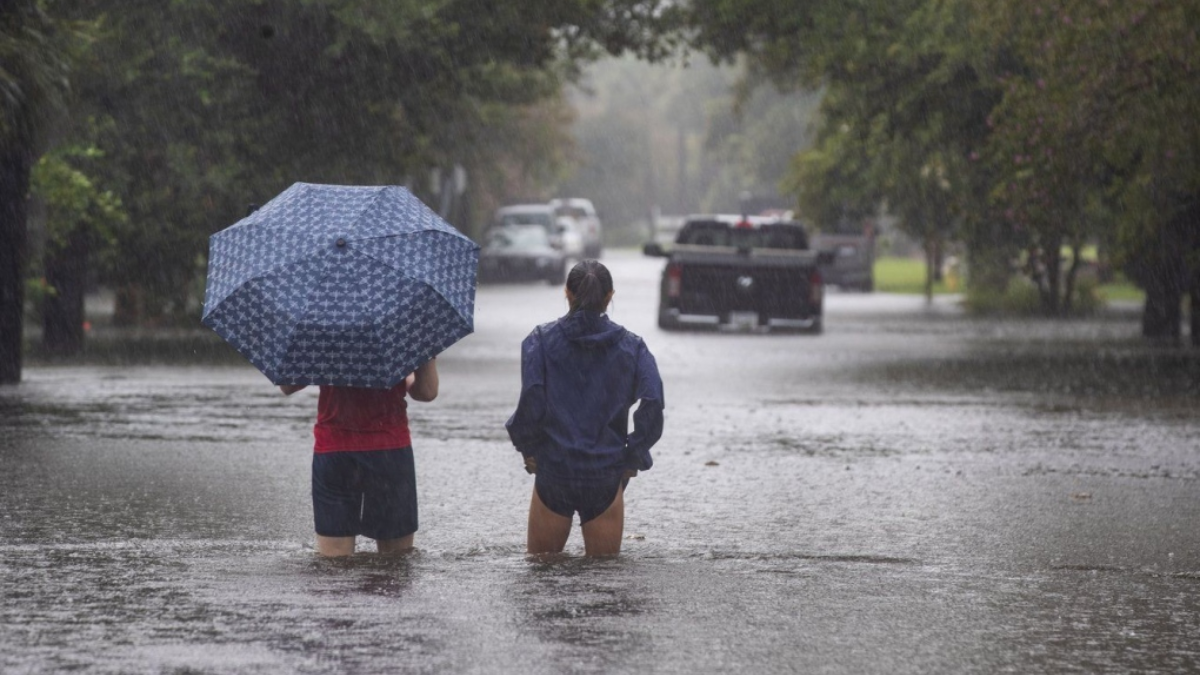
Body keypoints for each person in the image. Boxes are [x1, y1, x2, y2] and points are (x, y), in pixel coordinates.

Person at [506, 260, 664, 557]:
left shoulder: (539, 341)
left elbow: (531, 399)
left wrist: (528, 447)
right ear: (609, 296)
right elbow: (653, 402)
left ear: (566, 293)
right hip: (605, 475)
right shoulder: (634, 347)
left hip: (554, 470)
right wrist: (634, 454)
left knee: (541, 582)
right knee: (604, 591)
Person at [280, 357, 438, 557]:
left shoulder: (323, 331)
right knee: (396, 563)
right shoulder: (401, 331)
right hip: (389, 451)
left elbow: (287, 386)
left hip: (334, 451)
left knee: (334, 566)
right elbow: (426, 392)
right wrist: (422, 357)